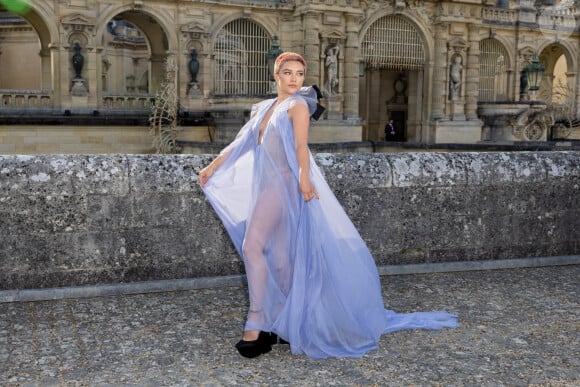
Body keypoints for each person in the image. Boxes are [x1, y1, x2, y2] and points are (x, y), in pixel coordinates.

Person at [198, 52, 457, 359]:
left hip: (286, 187)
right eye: (288, 73)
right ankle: (282, 322)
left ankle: (256, 321)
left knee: (253, 247)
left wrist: (305, 179)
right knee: (280, 258)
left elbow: (299, 147)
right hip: (267, 187)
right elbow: (242, 142)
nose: (294, 78)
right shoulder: (267, 108)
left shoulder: (297, 106)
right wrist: (212, 167)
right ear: (276, 75)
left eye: (299, 73)